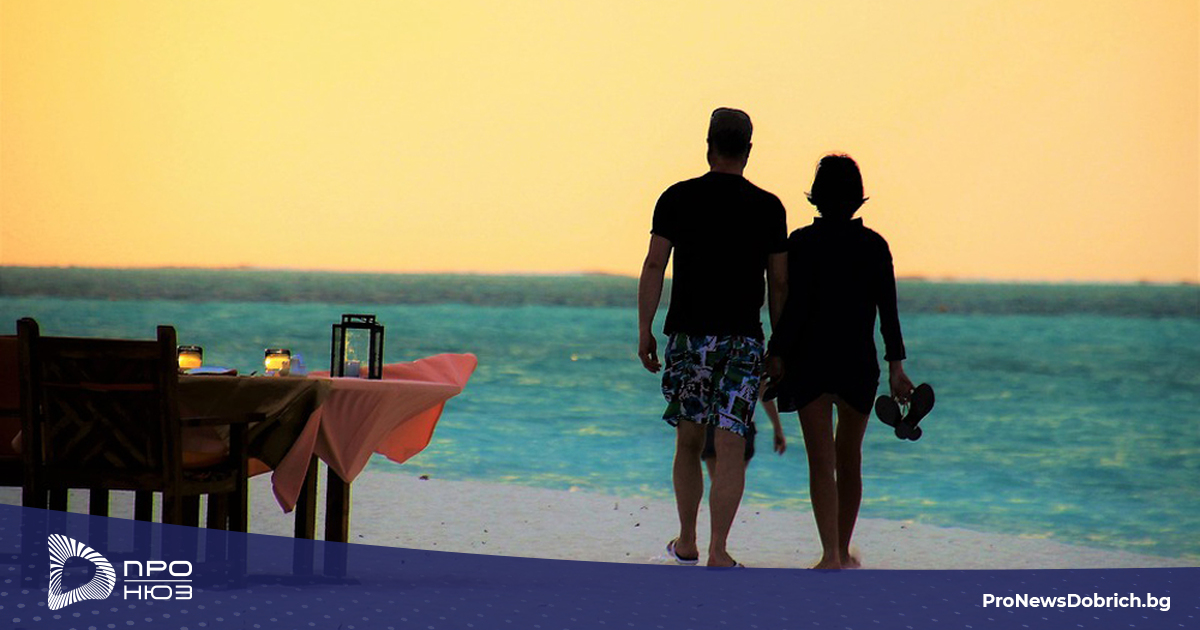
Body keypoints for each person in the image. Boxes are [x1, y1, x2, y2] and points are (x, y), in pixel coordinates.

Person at [638, 107, 788, 568]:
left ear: (709, 146)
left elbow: (655, 264)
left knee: (688, 441)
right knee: (731, 444)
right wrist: (779, 346)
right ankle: (719, 550)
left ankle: (687, 541)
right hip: (743, 340)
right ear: (748, 150)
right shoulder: (768, 207)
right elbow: (780, 284)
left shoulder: (677, 198)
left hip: (689, 337)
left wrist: (644, 328)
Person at [764, 154, 914, 570]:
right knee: (850, 460)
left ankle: (829, 554)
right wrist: (896, 368)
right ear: (857, 198)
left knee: (821, 463)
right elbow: (888, 313)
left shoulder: (801, 243)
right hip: (857, 364)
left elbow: (792, 307)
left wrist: (776, 352)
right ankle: (843, 552)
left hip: (809, 362)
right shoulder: (875, 246)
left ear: (816, 196)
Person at [702, 390, 786, 483]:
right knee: (731, 483)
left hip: (714, 417)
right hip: (742, 418)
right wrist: (777, 428)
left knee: (719, 482)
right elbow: (763, 391)